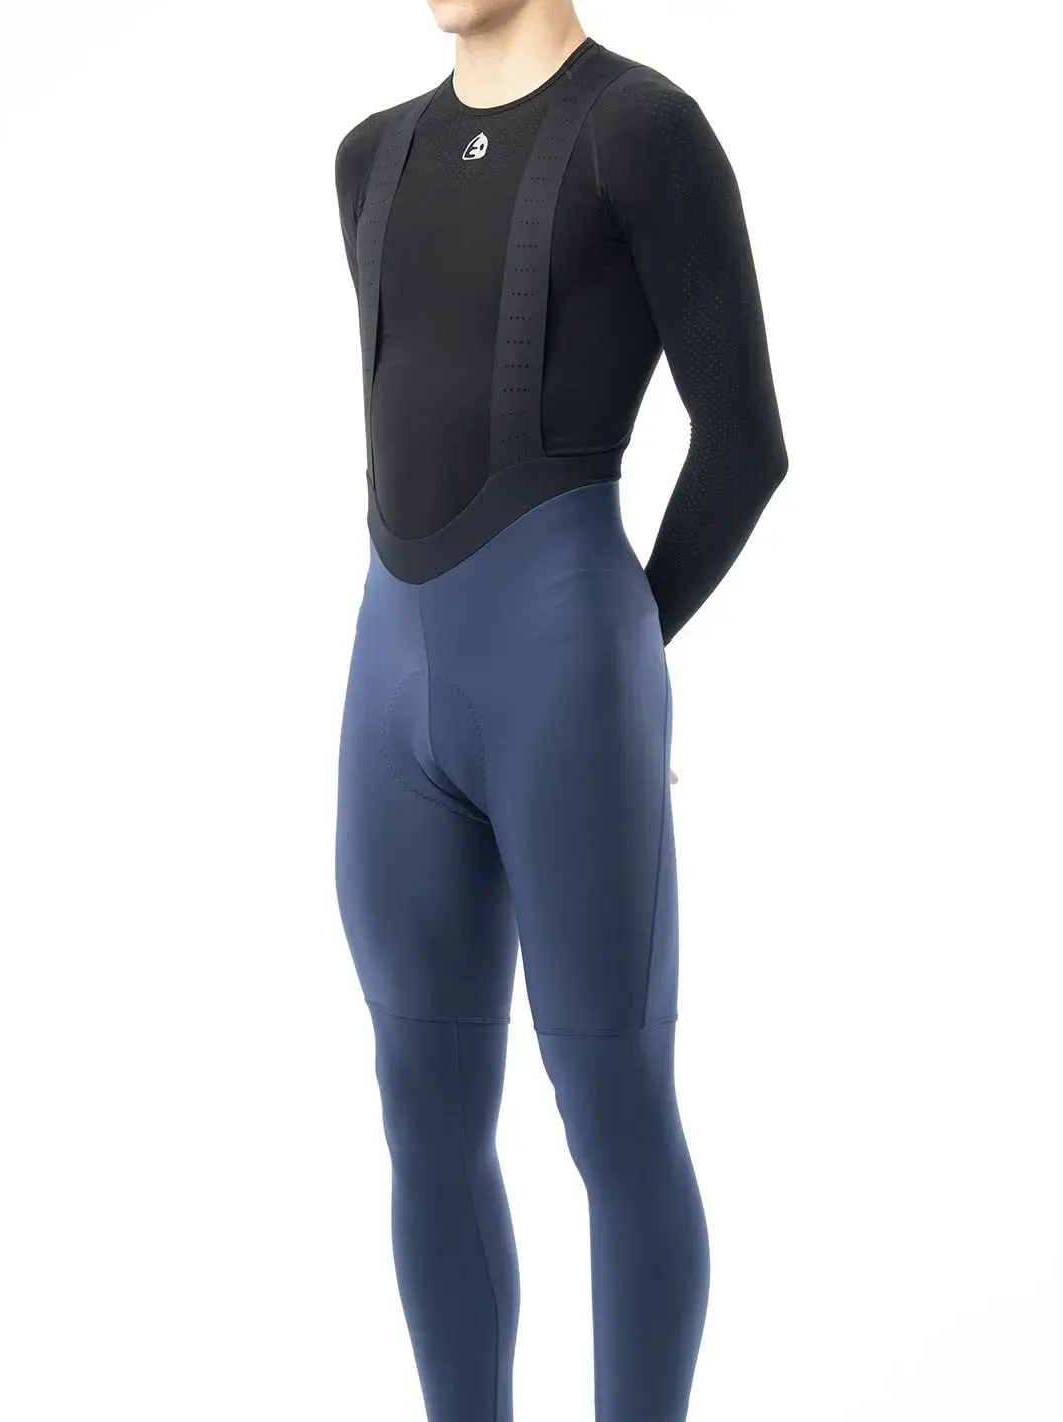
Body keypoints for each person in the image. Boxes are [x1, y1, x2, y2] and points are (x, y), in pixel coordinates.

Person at [333, 2, 787, 1418]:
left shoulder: (641, 132)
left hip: (565, 670)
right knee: (423, 1118)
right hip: (388, 679)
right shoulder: (369, 158)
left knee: (615, 1113)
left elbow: (746, 444)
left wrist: (619, 650)